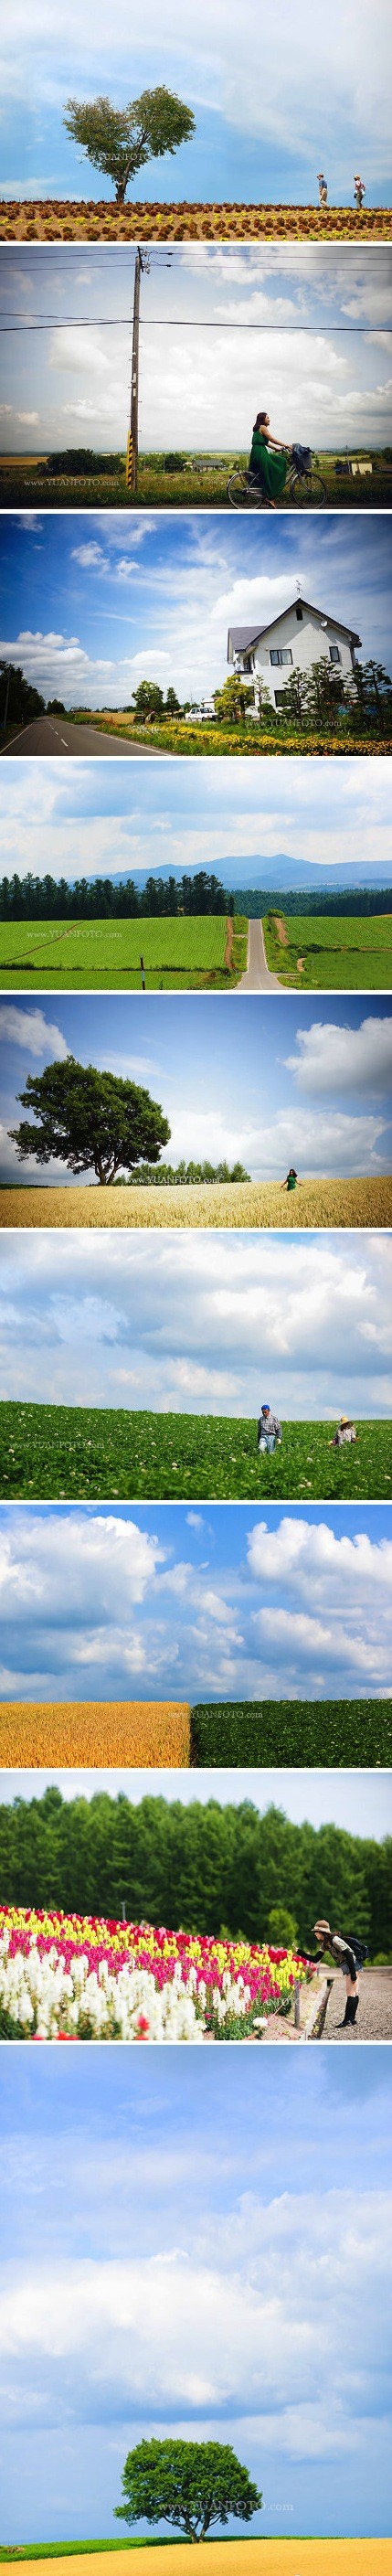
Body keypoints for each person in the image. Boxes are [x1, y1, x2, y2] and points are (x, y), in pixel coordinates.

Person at [312, 1919, 367, 2029]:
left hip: (353, 1965)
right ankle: (351, 2019)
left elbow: (349, 1954)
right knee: (354, 1992)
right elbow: (315, 1958)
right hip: (350, 1966)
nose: (315, 1933)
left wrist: (352, 1973)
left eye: (316, 1931)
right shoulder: (325, 1944)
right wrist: (299, 1952)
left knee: (351, 1993)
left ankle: (347, 2020)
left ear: (322, 1932)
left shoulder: (335, 1940)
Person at [249, 411, 292, 507]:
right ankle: (270, 496)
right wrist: (287, 445)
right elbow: (272, 439)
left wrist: (277, 449)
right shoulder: (263, 427)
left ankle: (268, 495)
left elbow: (266, 442)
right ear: (263, 419)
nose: (269, 419)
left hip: (257, 452)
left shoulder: (257, 429)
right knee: (278, 466)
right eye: (268, 418)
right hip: (261, 453)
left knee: (279, 461)